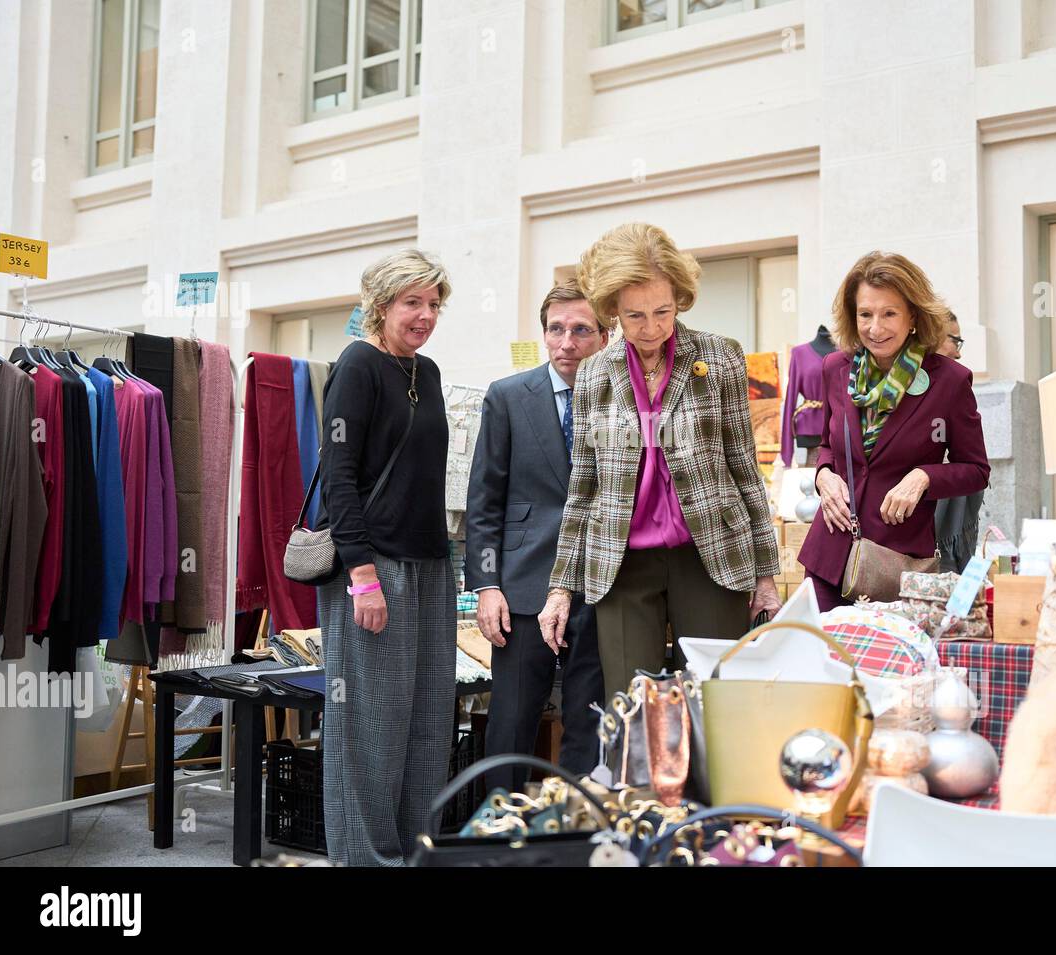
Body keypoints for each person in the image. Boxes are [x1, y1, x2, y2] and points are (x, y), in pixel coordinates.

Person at [539, 222, 781, 697]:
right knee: (633, 708)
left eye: (662, 311)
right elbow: (583, 488)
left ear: (680, 300)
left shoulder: (721, 357)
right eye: (634, 316)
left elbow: (744, 469)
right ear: (611, 311)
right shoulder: (594, 374)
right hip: (623, 562)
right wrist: (559, 588)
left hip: (710, 552)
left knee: (717, 702)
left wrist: (767, 574)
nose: (650, 328)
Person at [316, 249, 455, 866]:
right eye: (411, 303)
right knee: (369, 731)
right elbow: (339, 479)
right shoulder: (358, 365)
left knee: (426, 727)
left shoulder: (426, 372)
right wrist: (363, 575)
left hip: (430, 566)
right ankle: (366, 859)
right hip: (376, 569)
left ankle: (412, 853)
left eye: (433, 304)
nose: (425, 315)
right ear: (380, 304)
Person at [466, 280, 608, 792]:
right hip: (523, 587)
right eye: (556, 329)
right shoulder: (507, 397)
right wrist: (486, 585)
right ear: (544, 333)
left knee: (588, 721)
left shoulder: (624, 399)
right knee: (511, 721)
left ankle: (572, 831)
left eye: (581, 330)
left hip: (599, 584)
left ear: (604, 337)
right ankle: (497, 831)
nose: (566, 342)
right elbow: (484, 500)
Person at [797, 252, 990, 612]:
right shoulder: (835, 368)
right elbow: (828, 444)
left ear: (913, 316)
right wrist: (824, 476)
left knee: (883, 666)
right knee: (822, 661)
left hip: (896, 565)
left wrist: (924, 477)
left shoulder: (949, 380)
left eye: (889, 314)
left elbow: (977, 470)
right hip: (830, 554)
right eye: (865, 314)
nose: (875, 327)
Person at [933, 312, 987, 572]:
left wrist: (926, 475)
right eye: (955, 340)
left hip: (943, 549)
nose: (959, 352)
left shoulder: (956, 385)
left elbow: (976, 468)